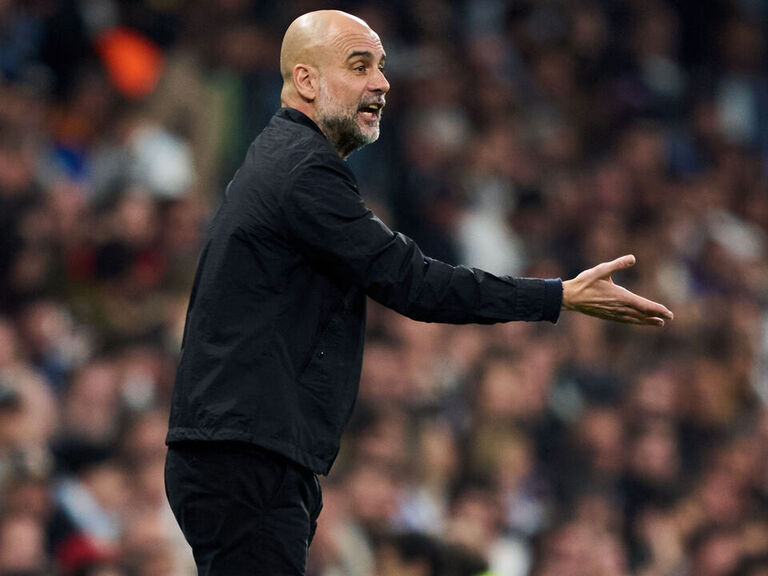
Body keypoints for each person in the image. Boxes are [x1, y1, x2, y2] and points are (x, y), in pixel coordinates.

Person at [163, 10, 674, 576]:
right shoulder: (302, 171)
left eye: (381, 67)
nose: (382, 82)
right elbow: (414, 282)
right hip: (245, 458)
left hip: (244, 453)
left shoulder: (283, 158)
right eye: (360, 66)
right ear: (306, 81)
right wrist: (557, 296)